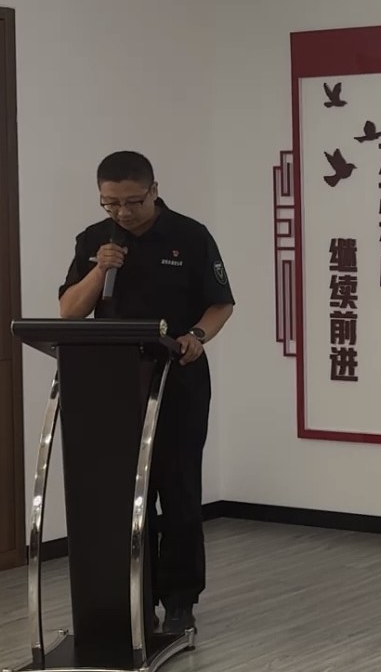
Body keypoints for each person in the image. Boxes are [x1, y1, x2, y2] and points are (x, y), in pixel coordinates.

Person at [58, 151, 235, 635]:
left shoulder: (190, 235)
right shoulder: (94, 240)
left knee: (177, 490)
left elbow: (221, 303)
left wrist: (196, 335)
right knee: (123, 496)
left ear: (154, 190)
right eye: (110, 203)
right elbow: (70, 312)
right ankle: (133, 598)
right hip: (113, 383)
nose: (122, 212)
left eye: (132, 201)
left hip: (177, 377)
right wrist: (99, 269)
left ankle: (179, 602)